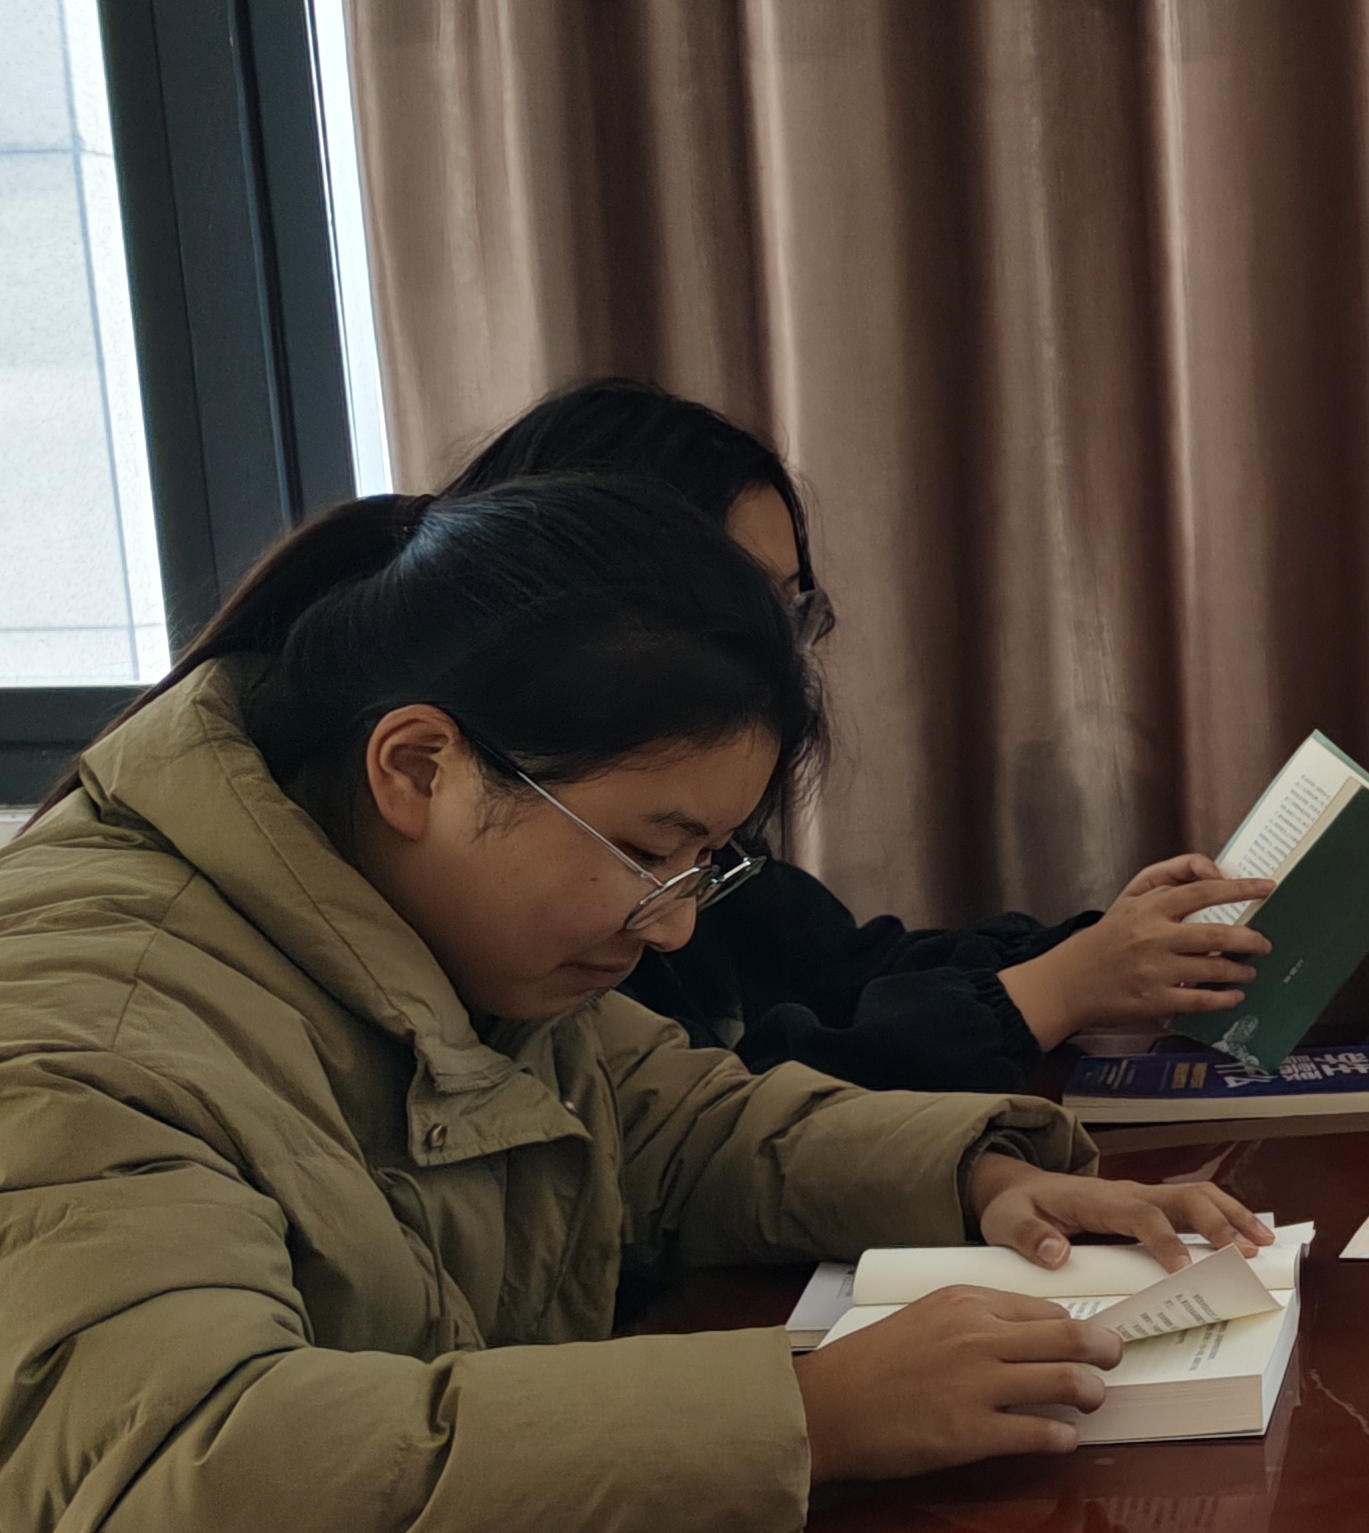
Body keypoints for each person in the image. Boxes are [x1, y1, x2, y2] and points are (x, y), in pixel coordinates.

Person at [0, 476, 1268, 1533]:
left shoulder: (405, 922)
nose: (672, 926)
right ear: (418, 768)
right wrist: (808, 1414)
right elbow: (189, 1494)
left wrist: (975, 1172)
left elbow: (672, 1123)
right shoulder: (65, 1040)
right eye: (649, 851)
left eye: (705, 869)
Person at [443, 379, 1276, 1093]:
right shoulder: (536, 917)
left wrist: (1099, 951)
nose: (785, 668)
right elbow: (730, 1109)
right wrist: (1054, 991)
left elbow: (845, 975)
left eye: (793, 613)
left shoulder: (722, 865)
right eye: (750, 613)